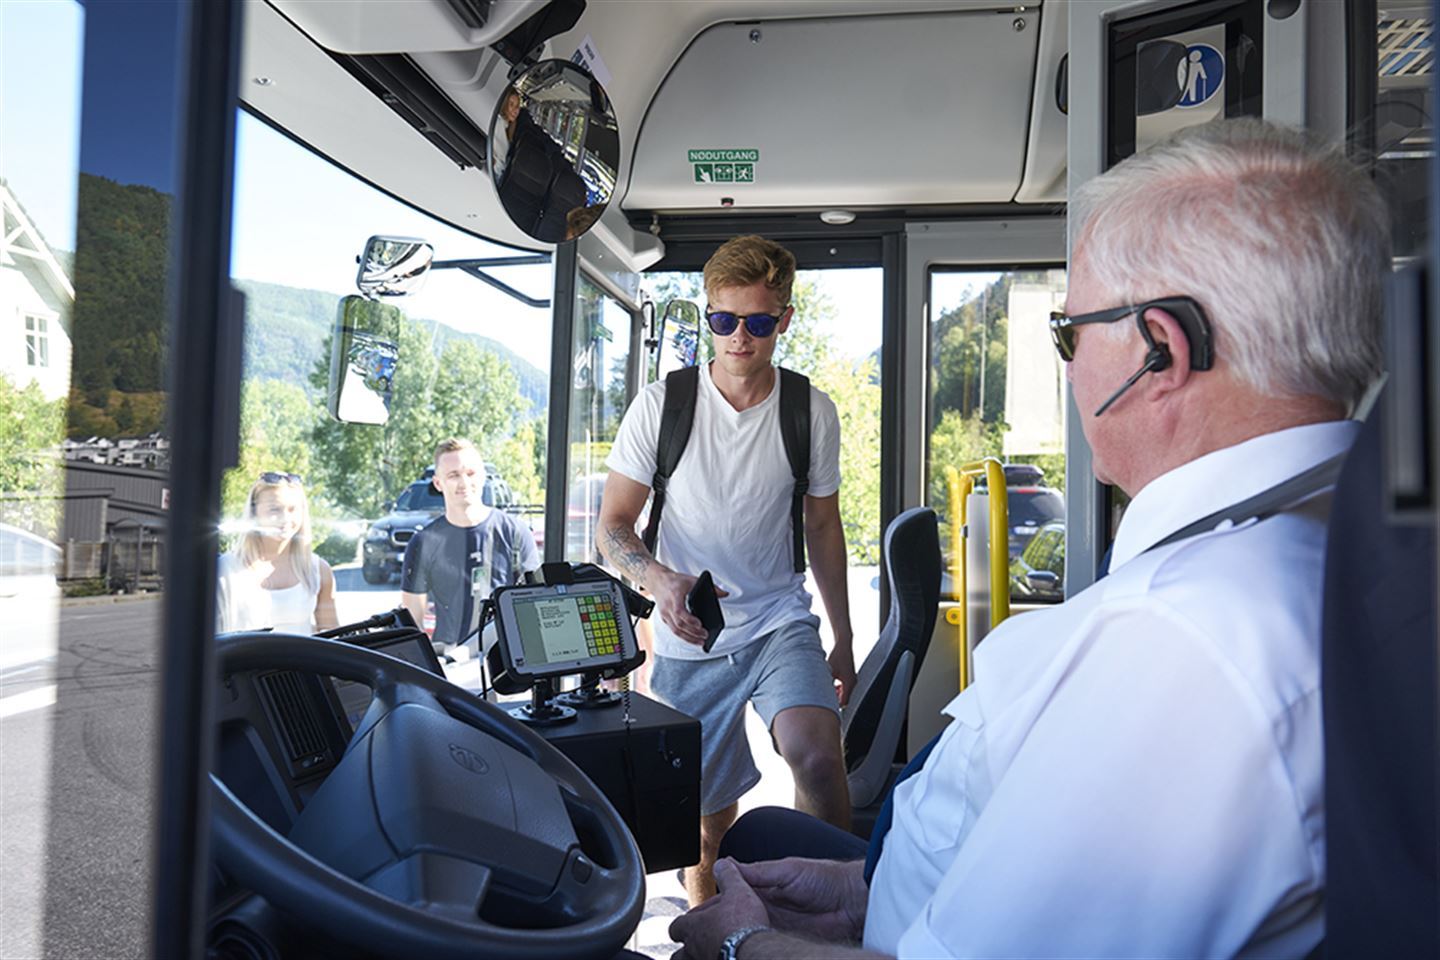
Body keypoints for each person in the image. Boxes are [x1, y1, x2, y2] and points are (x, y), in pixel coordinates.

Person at [668, 118, 1388, 959]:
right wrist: (869, 890)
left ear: (1162, 349)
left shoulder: (1183, 643)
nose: (1072, 368)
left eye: (1071, 334)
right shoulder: (1326, 549)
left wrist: (741, 946)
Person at [598, 234, 857, 906]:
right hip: (692, 636)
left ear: (786, 320)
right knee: (708, 832)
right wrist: (659, 582)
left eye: (758, 322)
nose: (739, 338)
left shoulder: (809, 412)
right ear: (706, 315)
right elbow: (613, 527)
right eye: (723, 320)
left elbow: (824, 527)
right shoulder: (663, 407)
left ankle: (825, 914)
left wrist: (845, 637)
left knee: (820, 760)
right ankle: (712, 931)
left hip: (779, 622)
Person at [401, 438, 540, 653]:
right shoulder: (424, 543)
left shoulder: (515, 533)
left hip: (507, 666)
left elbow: (533, 610)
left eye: (471, 473)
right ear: (438, 483)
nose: (464, 482)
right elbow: (412, 622)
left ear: (483, 475)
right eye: (453, 475)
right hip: (449, 665)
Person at [217, 472, 338, 635]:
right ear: (254, 513)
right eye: (274, 509)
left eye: (292, 509)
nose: (285, 519)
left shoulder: (318, 570)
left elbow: (334, 642)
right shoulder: (224, 570)